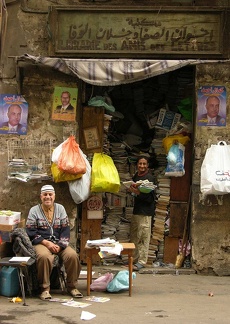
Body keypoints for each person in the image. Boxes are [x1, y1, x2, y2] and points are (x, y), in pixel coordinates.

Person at [26, 184, 82, 301]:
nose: (48, 197)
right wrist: (47, 243)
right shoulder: (34, 211)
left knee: (72, 256)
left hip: (59, 243)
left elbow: (65, 230)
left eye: (50, 194)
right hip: (41, 243)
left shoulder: (60, 209)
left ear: (54, 196)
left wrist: (60, 246)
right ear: (41, 197)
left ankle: (72, 287)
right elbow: (31, 231)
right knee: (44, 257)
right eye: (45, 195)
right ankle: (45, 289)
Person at [128, 156, 155, 271]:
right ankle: (132, 260)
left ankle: (142, 261)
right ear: (137, 165)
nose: (142, 166)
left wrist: (138, 193)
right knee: (134, 236)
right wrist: (133, 191)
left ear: (147, 165)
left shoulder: (150, 178)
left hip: (146, 212)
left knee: (144, 236)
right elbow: (136, 193)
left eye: (144, 164)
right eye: (140, 164)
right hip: (137, 210)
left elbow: (150, 198)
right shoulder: (136, 176)